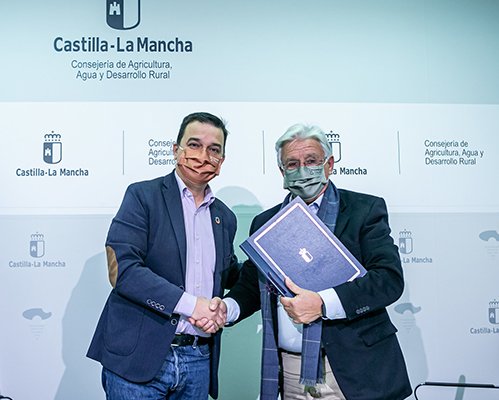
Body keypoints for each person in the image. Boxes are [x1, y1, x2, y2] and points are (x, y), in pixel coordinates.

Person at [223, 123, 412, 400]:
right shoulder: (266, 222)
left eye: (311, 161)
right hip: (290, 372)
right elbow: (253, 284)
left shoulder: (363, 210)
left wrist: (322, 303)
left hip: (355, 368)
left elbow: (388, 280)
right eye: (292, 163)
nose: (303, 170)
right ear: (282, 171)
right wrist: (225, 309)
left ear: (329, 164)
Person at [87, 112, 239, 400]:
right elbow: (122, 271)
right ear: (175, 149)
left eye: (214, 149)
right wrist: (193, 306)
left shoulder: (225, 217)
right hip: (139, 358)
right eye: (194, 145)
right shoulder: (142, 196)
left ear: (222, 159)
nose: (203, 156)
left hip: (198, 360)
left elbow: (227, 275)